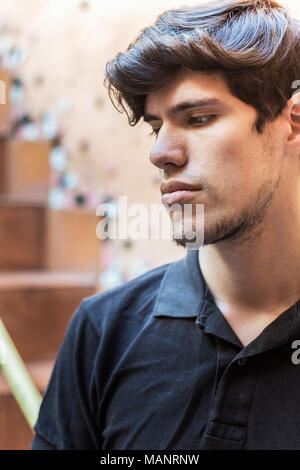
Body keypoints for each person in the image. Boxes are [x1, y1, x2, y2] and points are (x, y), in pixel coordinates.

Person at [31, 0, 300, 450]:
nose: (161, 152)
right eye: (156, 125)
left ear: (291, 123)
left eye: (198, 118)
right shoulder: (104, 331)